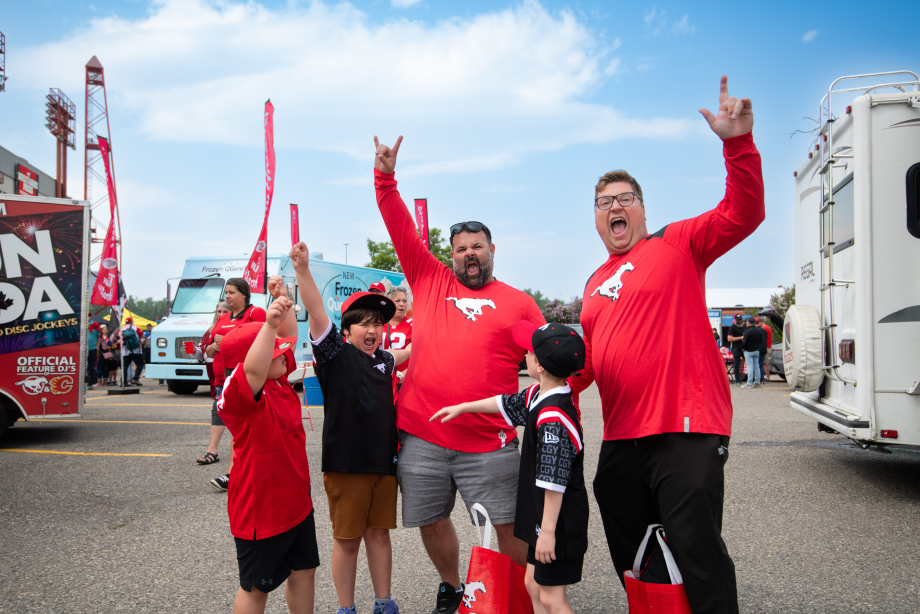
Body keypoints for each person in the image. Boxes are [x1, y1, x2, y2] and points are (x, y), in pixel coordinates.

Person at [571, 76, 763, 614]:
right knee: (634, 549)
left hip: (684, 427)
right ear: (595, 217)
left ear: (641, 208)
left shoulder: (676, 245)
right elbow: (591, 361)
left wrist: (737, 144)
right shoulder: (592, 282)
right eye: (604, 202)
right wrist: (545, 384)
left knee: (695, 550)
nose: (615, 207)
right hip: (622, 438)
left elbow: (743, 212)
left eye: (624, 199)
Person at [374, 134, 546, 613]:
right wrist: (384, 179)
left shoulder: (518, 303)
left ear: (493, 249)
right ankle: (453, 586)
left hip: (489, 441)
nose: (469, 254)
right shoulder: (429, 280)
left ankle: (509, 594)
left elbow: (552, 360)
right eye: (461, 248)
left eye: (477, 247)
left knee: (505, 527)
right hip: (423, 436)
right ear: (450, 254)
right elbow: (400, 229)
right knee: (430, 519)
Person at [431, 321, 588, 614]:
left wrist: (548, 533)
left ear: (538, 364)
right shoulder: (541, 393)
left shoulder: (554, 417)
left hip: (558, 522)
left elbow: (554, 482)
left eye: (528, 351)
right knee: (532, 584)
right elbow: (505, 402)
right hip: (541, 516)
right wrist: (464, 407)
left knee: (553, 597)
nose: (523, 355)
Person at [291, 241, 408, 614]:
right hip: (346, 465)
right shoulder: (334, 354)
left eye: (378, 323)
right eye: (364, 323)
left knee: (379, 535)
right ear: (346, 329)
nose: (372, 329)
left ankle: (383, 602)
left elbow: (408, 352)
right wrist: (303, 270)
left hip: (384, 466)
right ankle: (346, 608)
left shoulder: (384, 360)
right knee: (347, 541)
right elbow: (313, 307)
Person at [215, 295, 318, 614]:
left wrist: (282, 308)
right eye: (275, 352)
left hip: (295, 503)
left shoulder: (279, 382)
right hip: (262, 511)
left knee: (303, 570)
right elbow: (252, 371)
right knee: (256, 588)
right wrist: (270, 326)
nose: (286, 355)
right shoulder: (239, 395)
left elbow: (286, 339)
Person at [204, 278, 267, 490]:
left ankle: (236, 474)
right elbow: (210, 350)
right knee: (233, 425)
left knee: (241, 428)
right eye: (226, 293)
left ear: (244, 294)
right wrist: (215, 346)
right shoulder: (223, 319)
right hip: (224, 380)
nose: (228, 297)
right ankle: (235, 470)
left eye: (231, 292)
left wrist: (229, 341)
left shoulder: (255, 313)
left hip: (244, 378)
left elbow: (263, 339)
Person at [196, 301, 231, 466]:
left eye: (224, 310)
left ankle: (247, 452)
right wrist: (214, 346)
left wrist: (223, 343)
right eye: (218, 310)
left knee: (244, 414)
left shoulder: (238, 326)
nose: (221, 313)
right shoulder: (211, 331)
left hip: (237, 377)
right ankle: (212, 451)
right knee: (218, 411)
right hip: (219, 379)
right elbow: (207, 353)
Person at [383, 286, 413, 390]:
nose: (402, 304)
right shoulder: (378, 323)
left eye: (404, 301)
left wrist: (408, 371)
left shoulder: (414, 325)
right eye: (397, 300)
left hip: (403, 381)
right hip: (381, 378)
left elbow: (422, 355)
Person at [119, 317, 145, 386]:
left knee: (125, 366)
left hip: (125, 350)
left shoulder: (122, 328)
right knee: (140, 364)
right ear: (132, 321)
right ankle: (135, 378)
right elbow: (142, 335)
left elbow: (120, 339)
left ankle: (124, 382)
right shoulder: (135, 327)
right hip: (136, 350)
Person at [741, 317, 766, 389]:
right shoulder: (758, 331)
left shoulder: (747, 331)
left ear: (748, 323)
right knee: (756, 366)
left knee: (750, 367)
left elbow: (744, 341)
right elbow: (761, 341)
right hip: (756, 350)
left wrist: (743, 347)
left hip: (748, 351)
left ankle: (749, 382)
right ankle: (757, 382)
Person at [726, 314, 745, 384]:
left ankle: (747, 378)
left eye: (740, 320)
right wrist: (740, 338)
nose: (739, 321)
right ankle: (737, 380)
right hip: (736, 348)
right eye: (738, 320)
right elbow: (729, 338)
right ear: (735, 320)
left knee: (748, 364)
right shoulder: (732, 327)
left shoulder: (744, 327)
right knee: (737, 364)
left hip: (744, 348)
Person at [87, 321, 102, 387]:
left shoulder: (95, 327)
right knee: (81, 366)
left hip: (92, 349)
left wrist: (97, 346)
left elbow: (99, 337)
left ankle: (90, 382)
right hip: (83, 349)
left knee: (91, 366)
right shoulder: (81, 327)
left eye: (89, 316)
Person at [759, 318, 773, 383]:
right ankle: (766, 376)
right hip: (768, 346)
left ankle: (767, 377)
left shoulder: (765, 328)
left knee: (765, 363)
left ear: (760, 322)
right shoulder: (767, 327)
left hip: (766, 347)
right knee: (764, 362)